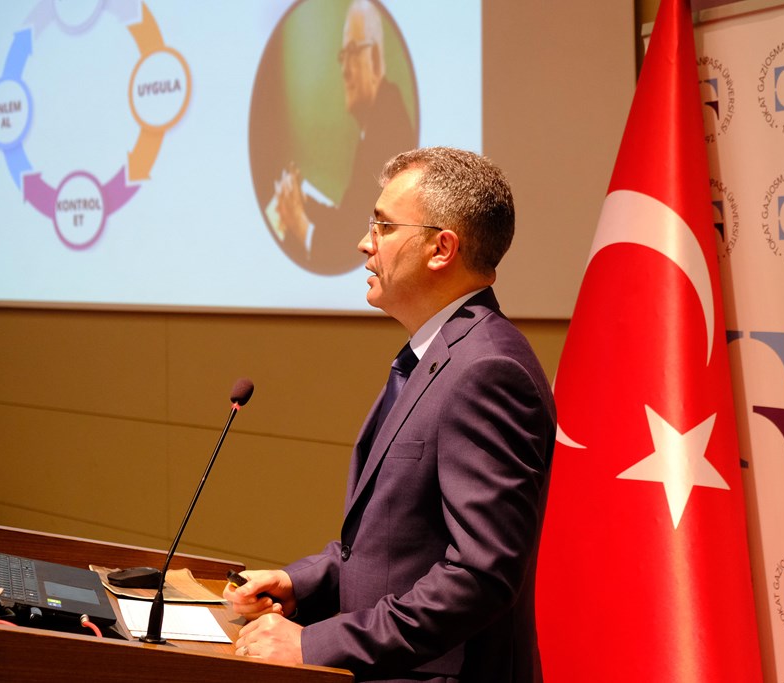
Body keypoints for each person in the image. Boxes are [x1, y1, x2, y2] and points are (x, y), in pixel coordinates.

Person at [227, 147, 557, 683]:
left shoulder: (488, 370)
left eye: (382, 225)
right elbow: (396, 547)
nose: (365, 243)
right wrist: (299, 584)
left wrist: (316, 643)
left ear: (441, 248)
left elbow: (480, 577)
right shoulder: (436, 355)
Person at [272, 0, 417, 275]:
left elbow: (355, 237)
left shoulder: (386, 128)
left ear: (375, 59)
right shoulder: (377, 118)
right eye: (342, 56)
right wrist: (303, 203)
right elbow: (350, 216)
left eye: (352, 52)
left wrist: (300, 226)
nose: (344, 69)